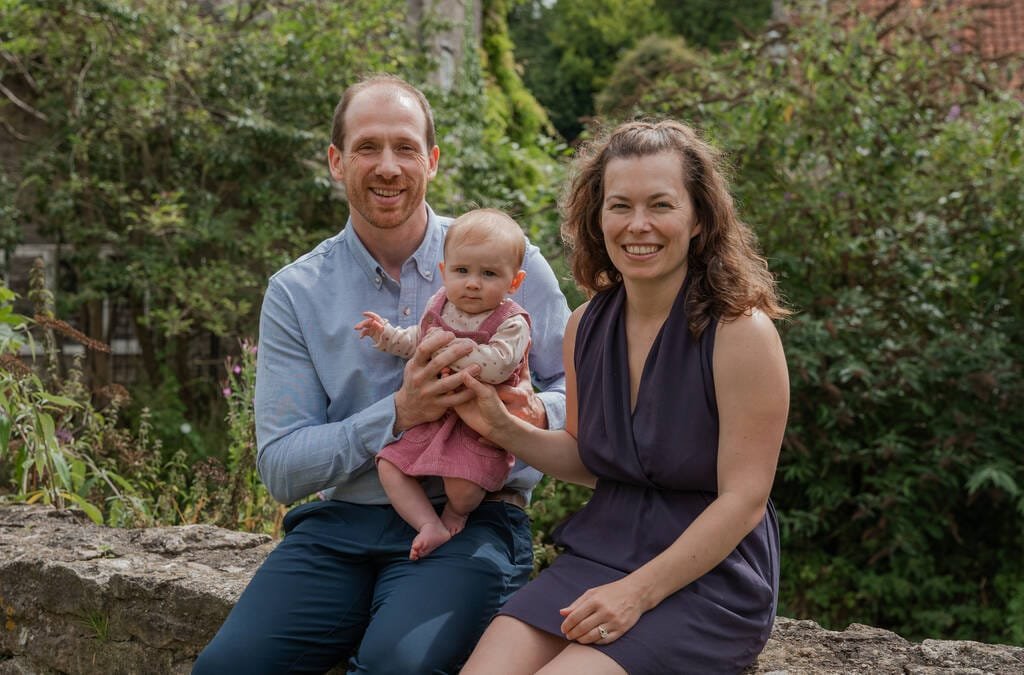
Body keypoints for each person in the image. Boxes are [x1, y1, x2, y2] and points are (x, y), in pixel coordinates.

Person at [192, 74, 570, 674]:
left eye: (405, 147)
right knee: (227, 669)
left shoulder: (508, 263)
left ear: (433, 161)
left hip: (472, 520)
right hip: (339, 528)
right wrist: (397, 415)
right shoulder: (296, 292)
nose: (388, 166)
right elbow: (282, 468)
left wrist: (522, 414)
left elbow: (581, 395)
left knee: (398, 667)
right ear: (337, 162)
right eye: (368, 147)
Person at [454, 119, 790, 675]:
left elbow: (745, 499)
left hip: (708, 578)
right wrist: (501, 427)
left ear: (699, 218)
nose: (638, 225)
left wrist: (635, 594)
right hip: (602, 554)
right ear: (597, 217)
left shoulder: (742, 334)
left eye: (660, 205)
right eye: (620, 206)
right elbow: (590, 459)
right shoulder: (584, 326)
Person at [355, 208, 532, 560]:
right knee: (389, 465)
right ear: (443, 272)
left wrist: (444, 350)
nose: (472, 282)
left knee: (463, 488)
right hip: (432, 418)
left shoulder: (512, 322)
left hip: (478, 425)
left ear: (514, 282)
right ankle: (427, 524)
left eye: (489, 274)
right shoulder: (441, 305)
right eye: (462, 271)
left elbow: (496, 366)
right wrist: (386, 335)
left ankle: (455, 513)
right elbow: (416, 340)